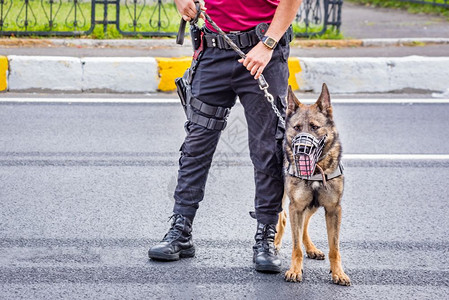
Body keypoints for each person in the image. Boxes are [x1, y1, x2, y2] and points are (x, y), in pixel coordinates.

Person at [148, 0, 303, 273]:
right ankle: (181, 230)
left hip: (262, 52)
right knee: (196, 145)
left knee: (268, 148)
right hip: (213, 50)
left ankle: (267, 237)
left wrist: (267, 45)